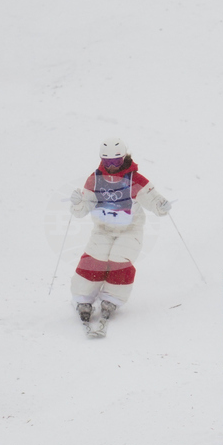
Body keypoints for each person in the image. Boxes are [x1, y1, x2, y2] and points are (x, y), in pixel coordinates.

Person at [69, 138, 171, 334]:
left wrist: (162, 206)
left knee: (119, 260)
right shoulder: (95, 179)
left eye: (116, 161)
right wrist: (77, 203)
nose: (112, 166)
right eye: (107, 162)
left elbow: (153, 200)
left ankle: (112, 298)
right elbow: (82, 209)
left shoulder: (135, 179)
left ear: (124, 158)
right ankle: (83, 298)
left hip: (129, 230)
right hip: (103, 230)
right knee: (94, 259)